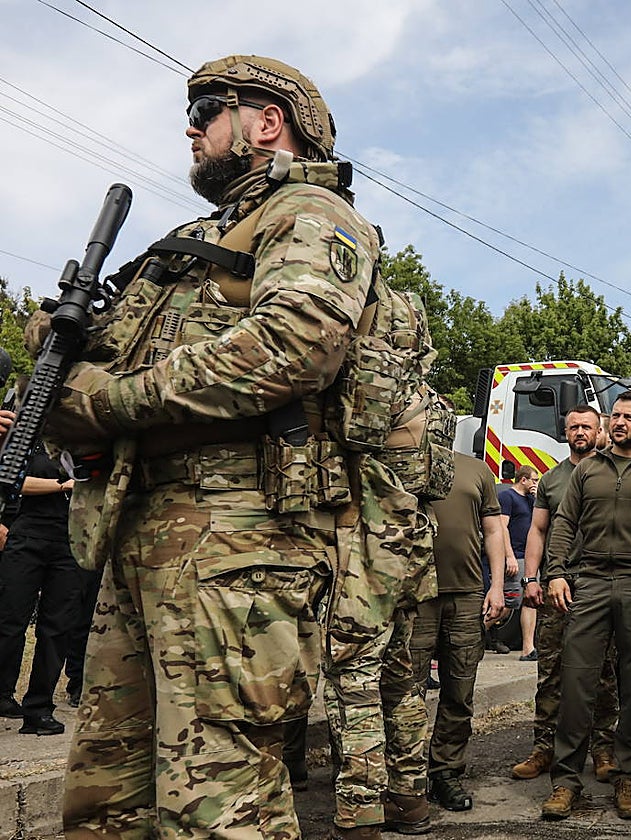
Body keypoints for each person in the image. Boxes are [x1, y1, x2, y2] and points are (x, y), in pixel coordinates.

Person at [35, 55, 381, 838]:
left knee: (219, 803)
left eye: (207, 109)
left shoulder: (312, 213)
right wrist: (60, 349)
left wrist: (110, 401)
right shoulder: (193, 239)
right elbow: (107, 343)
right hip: (138, 527)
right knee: (105, 794)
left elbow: (297, 344)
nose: (190, 128)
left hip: (235, 535)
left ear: (268, 123)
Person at [540, 390, 631, 822]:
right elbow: (564, 522)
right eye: (616, 416)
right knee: (576, 683)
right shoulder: (590, 469)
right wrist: (556, 572)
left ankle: (629, 776)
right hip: (589, 582)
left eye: (629, 417)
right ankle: (565, 780)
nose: (620, 422)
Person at [512, 405, 618, 783]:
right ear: (566, 431)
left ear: (599, 430)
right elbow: (538, 530)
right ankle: (544, 748)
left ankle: (603, 749)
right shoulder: (553, 479)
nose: (579, 432)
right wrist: (531, 579)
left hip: (600, 584)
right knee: (551, 670)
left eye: (587, 426)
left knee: (604, 672)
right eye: (573, 427)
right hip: (558, 583)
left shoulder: (612, 471)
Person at [407, 451, 506, 812]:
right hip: (414, 595)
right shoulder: (402, 461)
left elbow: (494, 530)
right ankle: (407, 777)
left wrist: (496, 586)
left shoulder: (477, 469)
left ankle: (445, 773)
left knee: (459, 691)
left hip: (466, 594)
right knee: (408, 692)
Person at [0, 436, 79, 736]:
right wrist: (62, 485)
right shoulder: (26, 435)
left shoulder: (80, 439)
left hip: (68, 539)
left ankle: (39, 708)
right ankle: (3, 693)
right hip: (27, 535)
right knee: (10, 620)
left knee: (57, 628)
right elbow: (13, 481)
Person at [497, 464, 539, 660]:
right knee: (508, 603)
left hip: (529, 556)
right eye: (534, 480)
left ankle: (528, 649)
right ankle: (478, 632)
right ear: (523, 479)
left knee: (530, 600)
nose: (535, 483)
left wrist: (538, 496)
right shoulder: (507, 497)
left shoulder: (531, 500)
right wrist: (509, 556)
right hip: (517, 556)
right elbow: (502, 527)